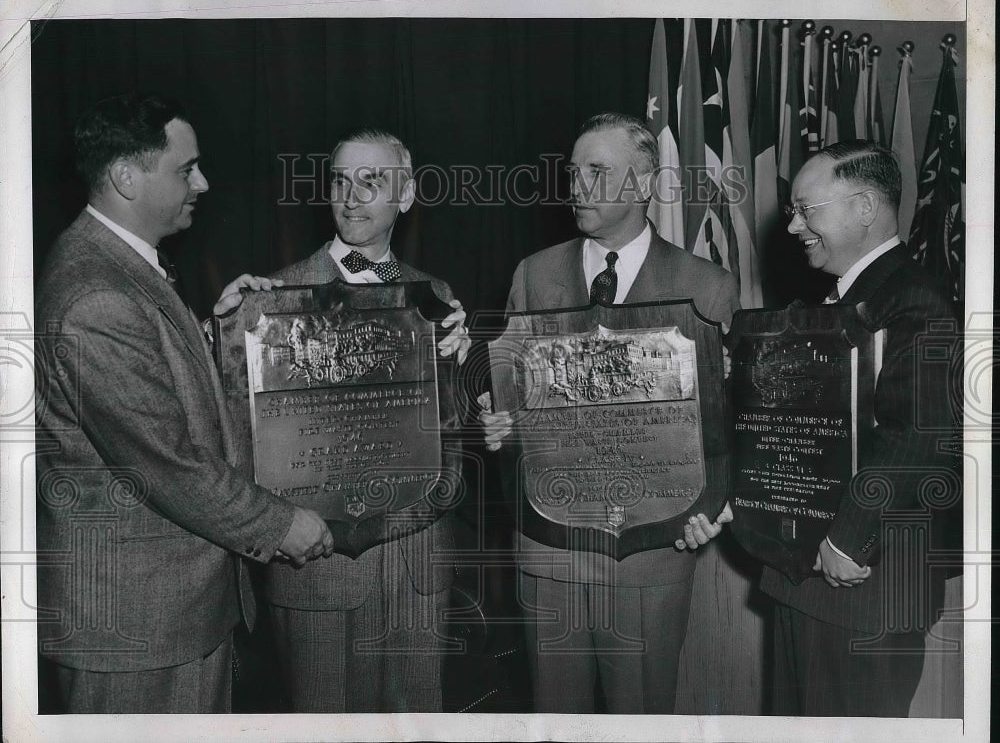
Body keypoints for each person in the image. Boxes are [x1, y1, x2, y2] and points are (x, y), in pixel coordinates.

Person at [35, 92, 335, 714]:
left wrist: (213, 336)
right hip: (138, 628)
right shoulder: (96, 294)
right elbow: (163, 461)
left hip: (165, 615)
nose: (203, 181)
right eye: (185, 169)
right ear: (125, 177)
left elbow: (143, 391)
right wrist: (281, 525)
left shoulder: (113, 265)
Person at [479, 113, 737, 713]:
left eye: (598, 171)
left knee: (641, 717)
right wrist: (497, 426)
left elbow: (723, 424)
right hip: (551, 550)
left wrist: (713, 504)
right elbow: (510, 401)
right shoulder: (533, 274)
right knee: (555, 718)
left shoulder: (707, 284)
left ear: (645, 183)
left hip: (651, 555)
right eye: (574, 172)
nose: (577, 186)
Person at [237, 128, 470, 712]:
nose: (351, 196)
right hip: (319, 571)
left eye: (371, 182)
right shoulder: (277, 297)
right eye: (340, 181)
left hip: (416, 568)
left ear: (406, 195)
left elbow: (453, 438)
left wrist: (460, 375)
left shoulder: (434, 295)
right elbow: (241, 441)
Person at [756, 140, 959, 716]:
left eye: (807, 209)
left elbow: (916, 433)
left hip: (862, 578)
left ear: (865, 207)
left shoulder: (914, 298)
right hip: (810, 574)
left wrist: (849, 535)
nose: (793, 225)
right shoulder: (840, 297)